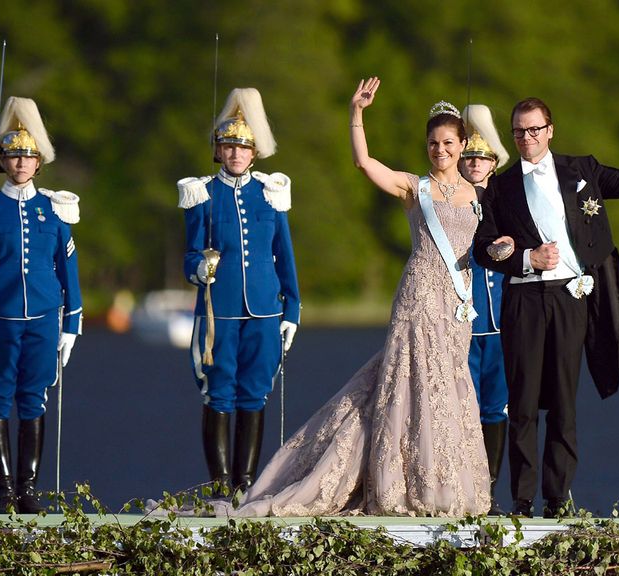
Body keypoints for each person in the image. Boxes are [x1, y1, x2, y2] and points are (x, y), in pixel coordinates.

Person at [234, 77, 490, 517]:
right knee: (411, 386)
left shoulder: (481, 194)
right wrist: (357, 114)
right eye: (433, 143)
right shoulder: (415, 187)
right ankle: (406, 485)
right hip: (419, 299)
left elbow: (494, 242)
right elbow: (364, 163)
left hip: (458, 307)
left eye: (449, 142)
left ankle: (450, 486)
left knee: (450, 388)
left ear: (463, 144)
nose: (441, 150)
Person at [473, 88, 619, 518]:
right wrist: (525, 258)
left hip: (571, 298)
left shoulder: (581, 168)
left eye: (534, 130)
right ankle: (522, 500)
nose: (527, 138)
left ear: (550, 131)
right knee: (523, 402)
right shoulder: (500, 187)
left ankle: (557, 499)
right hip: (524, 298)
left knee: (564, 401)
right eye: (519, 132)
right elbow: (482, 246)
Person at [178, 88, 300, 495]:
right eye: (228, 147)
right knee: (219, 394)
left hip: (264, 310)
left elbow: (284, 254)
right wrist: (200, 267)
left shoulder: (269, 194)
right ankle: (219, 486)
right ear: (219, 151)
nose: (235, 154)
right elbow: (189, 257)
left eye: (242, 147)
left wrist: (292, 309)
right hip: (220, 312)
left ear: (254, 152)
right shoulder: (203, 194)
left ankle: (245, 483)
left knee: (255, 394)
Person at [0, 97, 82, 513]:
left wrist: (72, 323)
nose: (21, 163)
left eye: (28, 156)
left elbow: (67, 267)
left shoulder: (53, 209)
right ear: (3, 160)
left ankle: (28, 490)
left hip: (43, 318)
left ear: (39, 163)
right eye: (14, 155)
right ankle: (4, 493)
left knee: (33, 399)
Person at [460, 104, 512, 515]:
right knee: (462, 408)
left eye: (483, 157)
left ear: (495, 163)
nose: (476, 164)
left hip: (503, 321)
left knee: (496, 407)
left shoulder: (510, 201)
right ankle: (463, 489)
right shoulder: (447, 199)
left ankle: (489, 490)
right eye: (469, 157)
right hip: (460, 320)